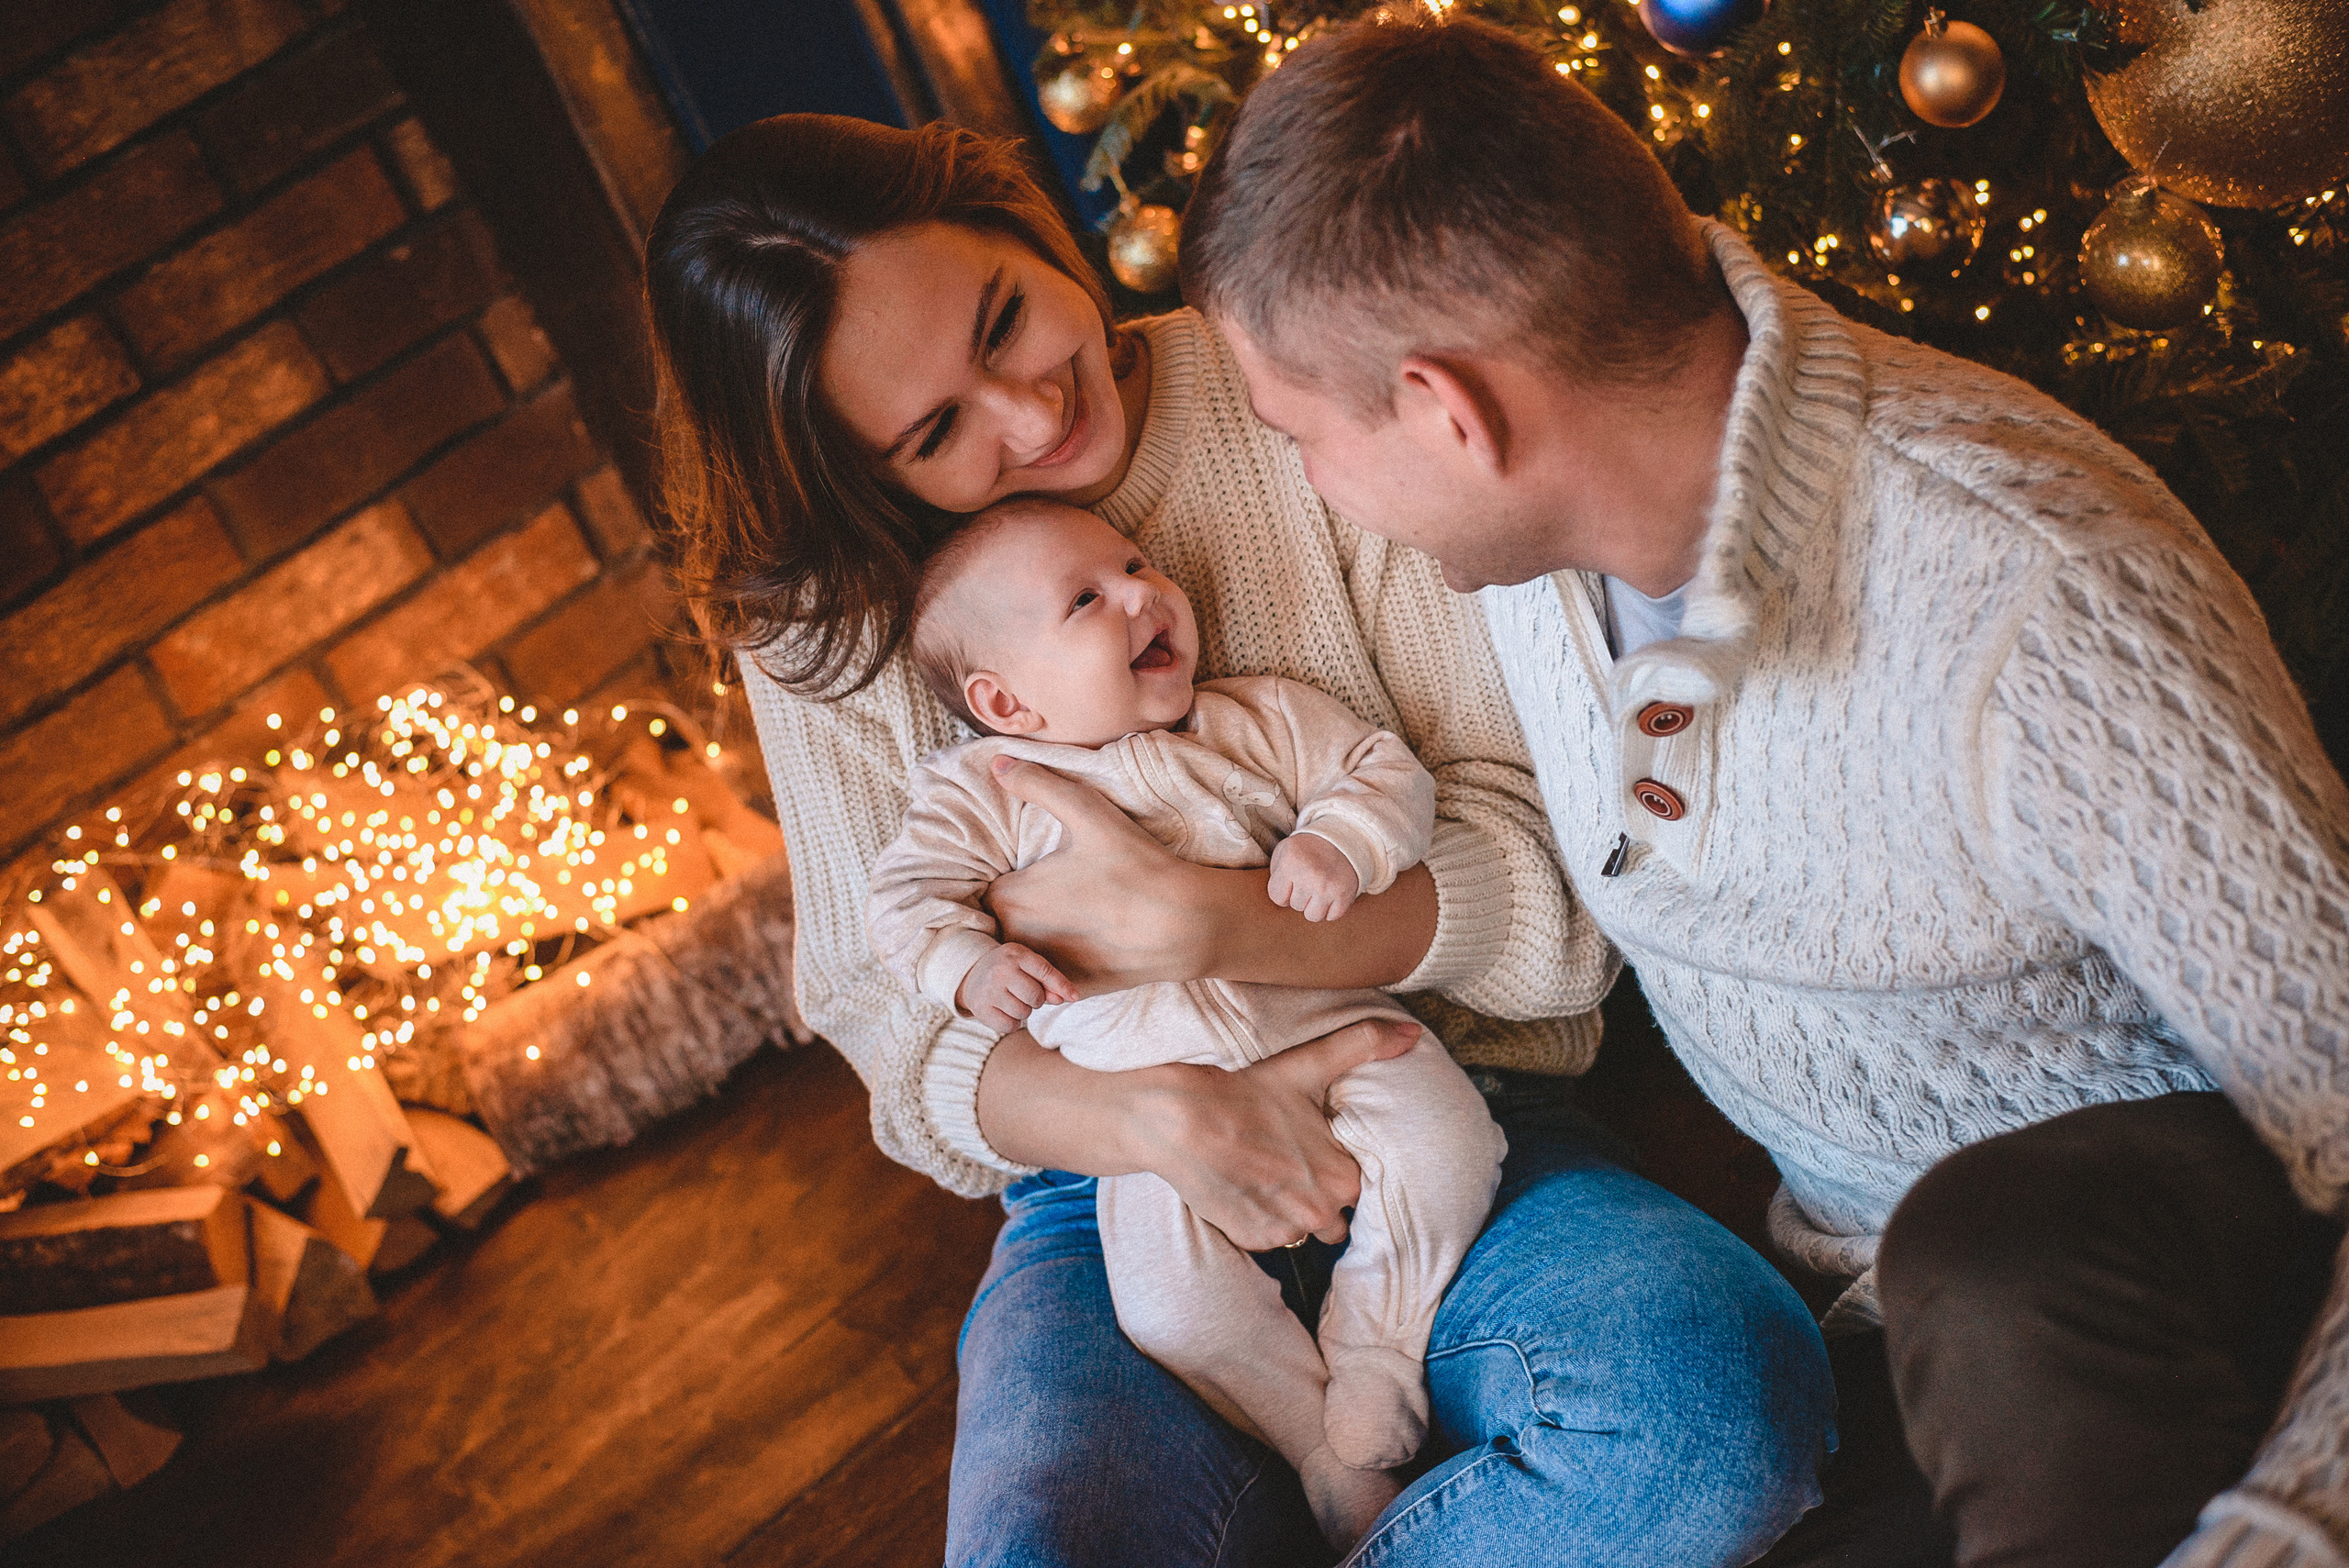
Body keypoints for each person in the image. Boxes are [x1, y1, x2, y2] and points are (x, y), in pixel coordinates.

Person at [1177, 16, 2349, 1568]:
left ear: (1455, 412)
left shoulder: (2040, 596)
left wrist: (2284, 1524)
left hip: (2112, 1322)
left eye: (1305, 439)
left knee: (1983, 1261)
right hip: (1861, 1325)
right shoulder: (1539, 537)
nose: (1316, 485)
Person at [645, 113, 1832, 1565]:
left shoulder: (1293, 392)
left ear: (1019, 218)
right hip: (1110, 1185)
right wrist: (1155, 1122)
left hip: (1444, 1088)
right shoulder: (827, 622)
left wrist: (1213, 923)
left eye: (1005, 320)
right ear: (857, 470)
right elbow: (883, 1012)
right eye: (934, 432)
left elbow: (1550, 862)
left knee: (1714, 1419)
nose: (1027, 422)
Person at [866, 496, 1508, 1550]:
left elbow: (1386, 773)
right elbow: (904, 900)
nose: (1141, 591)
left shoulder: (1254, 718)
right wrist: (967, 965)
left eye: (1135, 563)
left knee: (1448, 1139)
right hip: (1147, 1120)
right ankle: (1326, 1449)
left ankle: (1379, 1347)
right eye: (1087, 598)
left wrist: (1342, 842)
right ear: (1004, 701)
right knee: (1166, 1308)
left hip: (1337, 1029)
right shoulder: (983, 793)